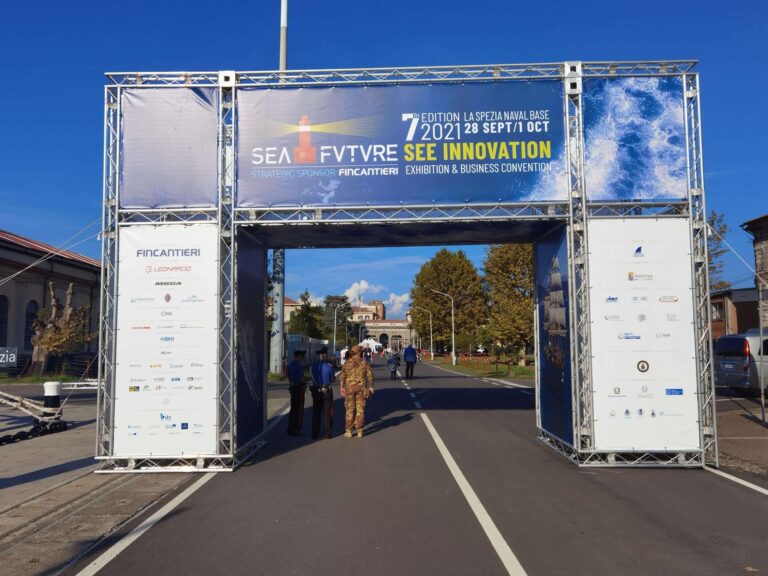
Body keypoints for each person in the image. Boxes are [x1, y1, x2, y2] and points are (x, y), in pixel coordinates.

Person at [339, 344, 374, 438]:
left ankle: (349, 431)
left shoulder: (347, 363)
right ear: (359, 352)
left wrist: (341, 387)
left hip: (349, 388)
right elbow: (370, 376)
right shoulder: (364, 363)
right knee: (360, 409)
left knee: (349, 409)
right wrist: (371, 387)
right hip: (361, 388)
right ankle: (360, 431)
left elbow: (342, 376)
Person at [310, 347, 335, 439]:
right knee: (327, 413)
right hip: (326, 390)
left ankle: (314, 434)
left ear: (319, 356)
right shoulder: (329, 367)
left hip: (316, 390)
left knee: (316, 412)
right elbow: (333, 379)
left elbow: (312, 378)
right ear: (325, 356)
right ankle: (327, 433)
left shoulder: (312, 367)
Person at [286, 350, 307, 436]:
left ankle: (290, 428)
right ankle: (296, 429)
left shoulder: (289, 365)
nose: (302, 358)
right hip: (298, 388)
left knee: (293, 409)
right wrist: (306, 380)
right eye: (302, 356)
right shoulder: (298, 366)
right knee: (299, 410)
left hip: (292, 388)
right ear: (298, 356)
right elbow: (301, 379)